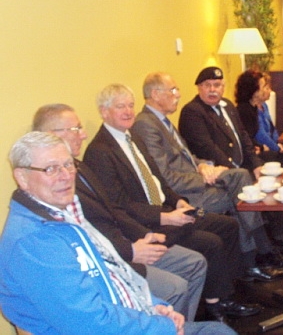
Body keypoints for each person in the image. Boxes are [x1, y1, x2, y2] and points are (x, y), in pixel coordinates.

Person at [0, 131, 235, 335]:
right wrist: (160, 326)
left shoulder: (63, 214)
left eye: (68, 165)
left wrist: (155, 307)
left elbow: (115, 273)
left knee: (216, 329)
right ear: (22, 177)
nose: (65, 176)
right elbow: (88, 322)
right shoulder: (34, 241)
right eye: (51, 169)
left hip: (129, 318)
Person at [82, 84, 261, 322]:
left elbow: (158, 179)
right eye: (120, 107)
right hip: (147, 223)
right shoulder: (99, 151)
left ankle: (225, 292)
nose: (128, 111)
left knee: (226, 225)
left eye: (130, 105)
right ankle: (215, 305)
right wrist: (165, 217)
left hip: (167, 209)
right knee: (210, 242)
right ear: (104, 112)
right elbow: (120, 205)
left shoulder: (133, 137)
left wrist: (178, 202)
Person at [32, 104, 206, 322]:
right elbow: (88, 237)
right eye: (76, 129)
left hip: (125, 240)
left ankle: (181, 326)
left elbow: (113, 210)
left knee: (195, 263)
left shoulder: (81, 167)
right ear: (51, 135)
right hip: (112, 259)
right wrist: (130, 251)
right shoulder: (53, 187)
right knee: (176, 287)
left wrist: (144, 235)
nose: (83, 135)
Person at [132, 72, 283, 273]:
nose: (178, 94)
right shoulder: (147, 124)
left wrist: (204, 166)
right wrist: (202, 178)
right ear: (155, 94)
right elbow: (164, 177)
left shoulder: (162, 121)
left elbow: (187, 157)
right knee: (242, 196)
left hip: (198, 179)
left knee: (241, 180)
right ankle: (259, 256)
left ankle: (257, 258)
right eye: (173, 90)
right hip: (185, 195)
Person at [179, 67, 283, 254]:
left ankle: (280, 235)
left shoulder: (227, 106)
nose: (213, 90)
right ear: (199, 88)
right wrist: (238, 169)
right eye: (207, 85)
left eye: (217, 85)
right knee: (248, 180)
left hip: (242, 166)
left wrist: (256, 164)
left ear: (223, 87)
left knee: (272, 170)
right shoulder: (193, 112)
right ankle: (266, 248)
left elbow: (244, 138)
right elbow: (208, 148)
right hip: (221, 173)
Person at [235, 70, 283, 165]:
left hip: (259, 149)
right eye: (264, 86)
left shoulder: (253, 107)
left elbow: (271, 129)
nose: (268, 90)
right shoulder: (244, 110)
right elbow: (249, 138)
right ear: (254, 91)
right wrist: (264, 147)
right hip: (250, 156)